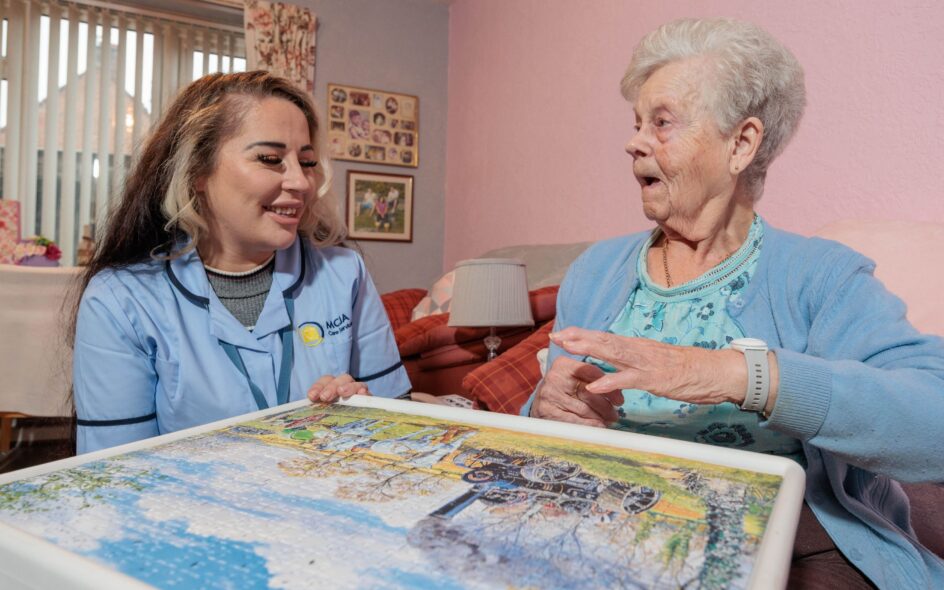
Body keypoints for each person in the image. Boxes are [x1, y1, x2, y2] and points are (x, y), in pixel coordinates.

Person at [523, 18, 944, 589]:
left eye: (662, 122)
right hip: (612, 525)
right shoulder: (597, 270)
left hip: (789, 541)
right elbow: (542, 423)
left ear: (741, 144)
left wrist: (734, 374)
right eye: (637, 123)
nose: (634, 141)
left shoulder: (820, 276)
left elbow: (933, 421)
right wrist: (546, 406)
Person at [70, 71, 410, 454]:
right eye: (270, 159)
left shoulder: (345, 274)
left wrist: (363, 412)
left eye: (308, 161)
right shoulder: (120, 301)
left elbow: (402, 435)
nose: (301, 182)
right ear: (197, 171)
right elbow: (116, 473)